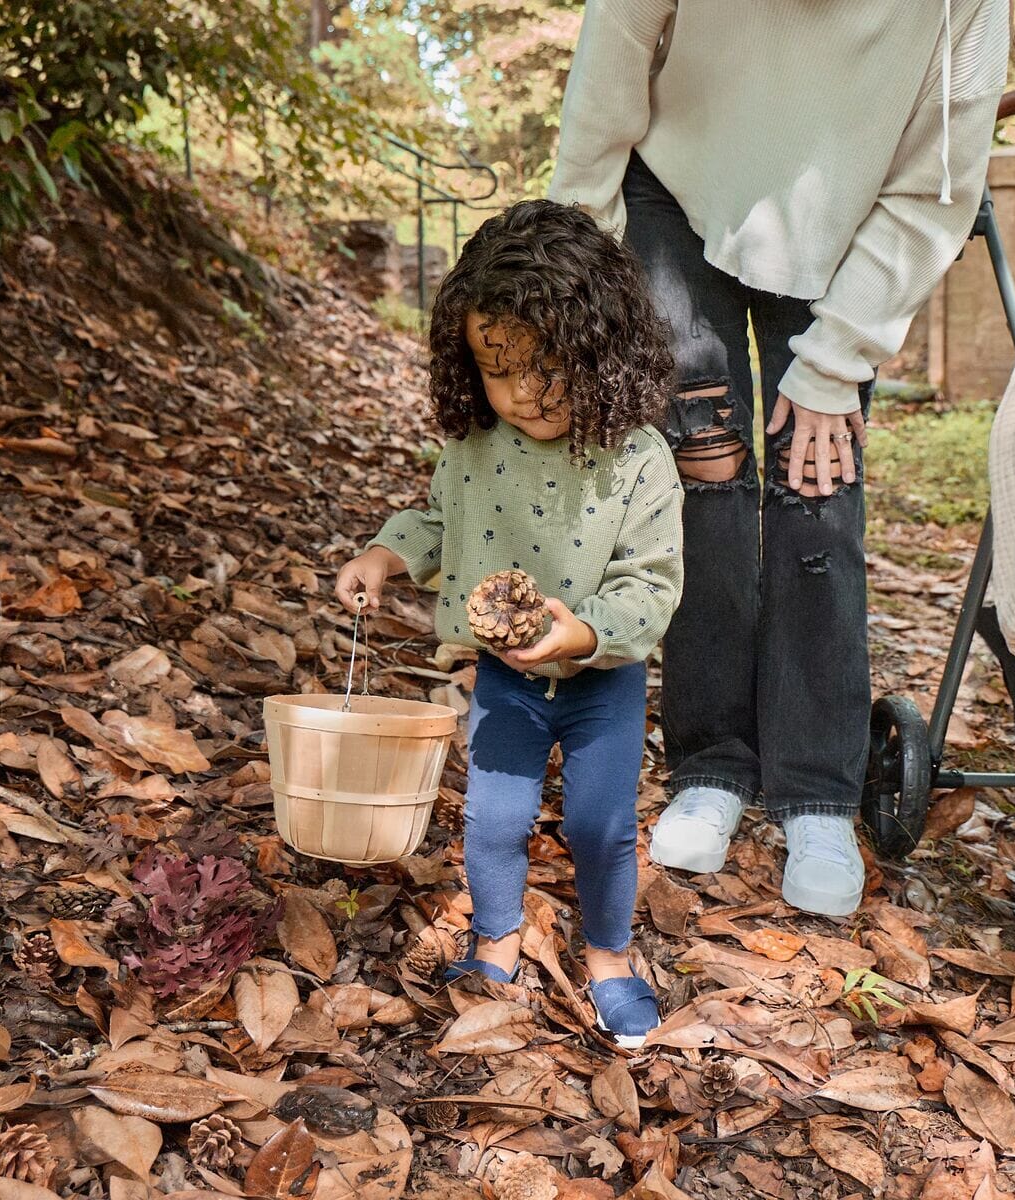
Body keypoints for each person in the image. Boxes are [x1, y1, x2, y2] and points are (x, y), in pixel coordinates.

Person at [549, 0, 1010, 916]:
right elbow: (608, 78)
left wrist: (838, 362)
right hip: (673, 191)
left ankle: (817, 791)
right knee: (704, 474)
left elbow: (936, 188)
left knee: (817, 489)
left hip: (854, 219)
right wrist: (585, 265)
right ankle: (712, 764)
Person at [336, 200, 684, 1047]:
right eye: (499, 370)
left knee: (600, 824)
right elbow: (437, 522)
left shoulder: (637, 459)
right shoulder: (475, 447)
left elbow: (652, 584)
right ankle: (495, 942)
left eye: (547, 367)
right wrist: (384, 555)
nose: (524, 393)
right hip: (505, 678)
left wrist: (585, 633)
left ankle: (607, 956)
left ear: (602, 351)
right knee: (494, 819)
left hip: (603, 680)